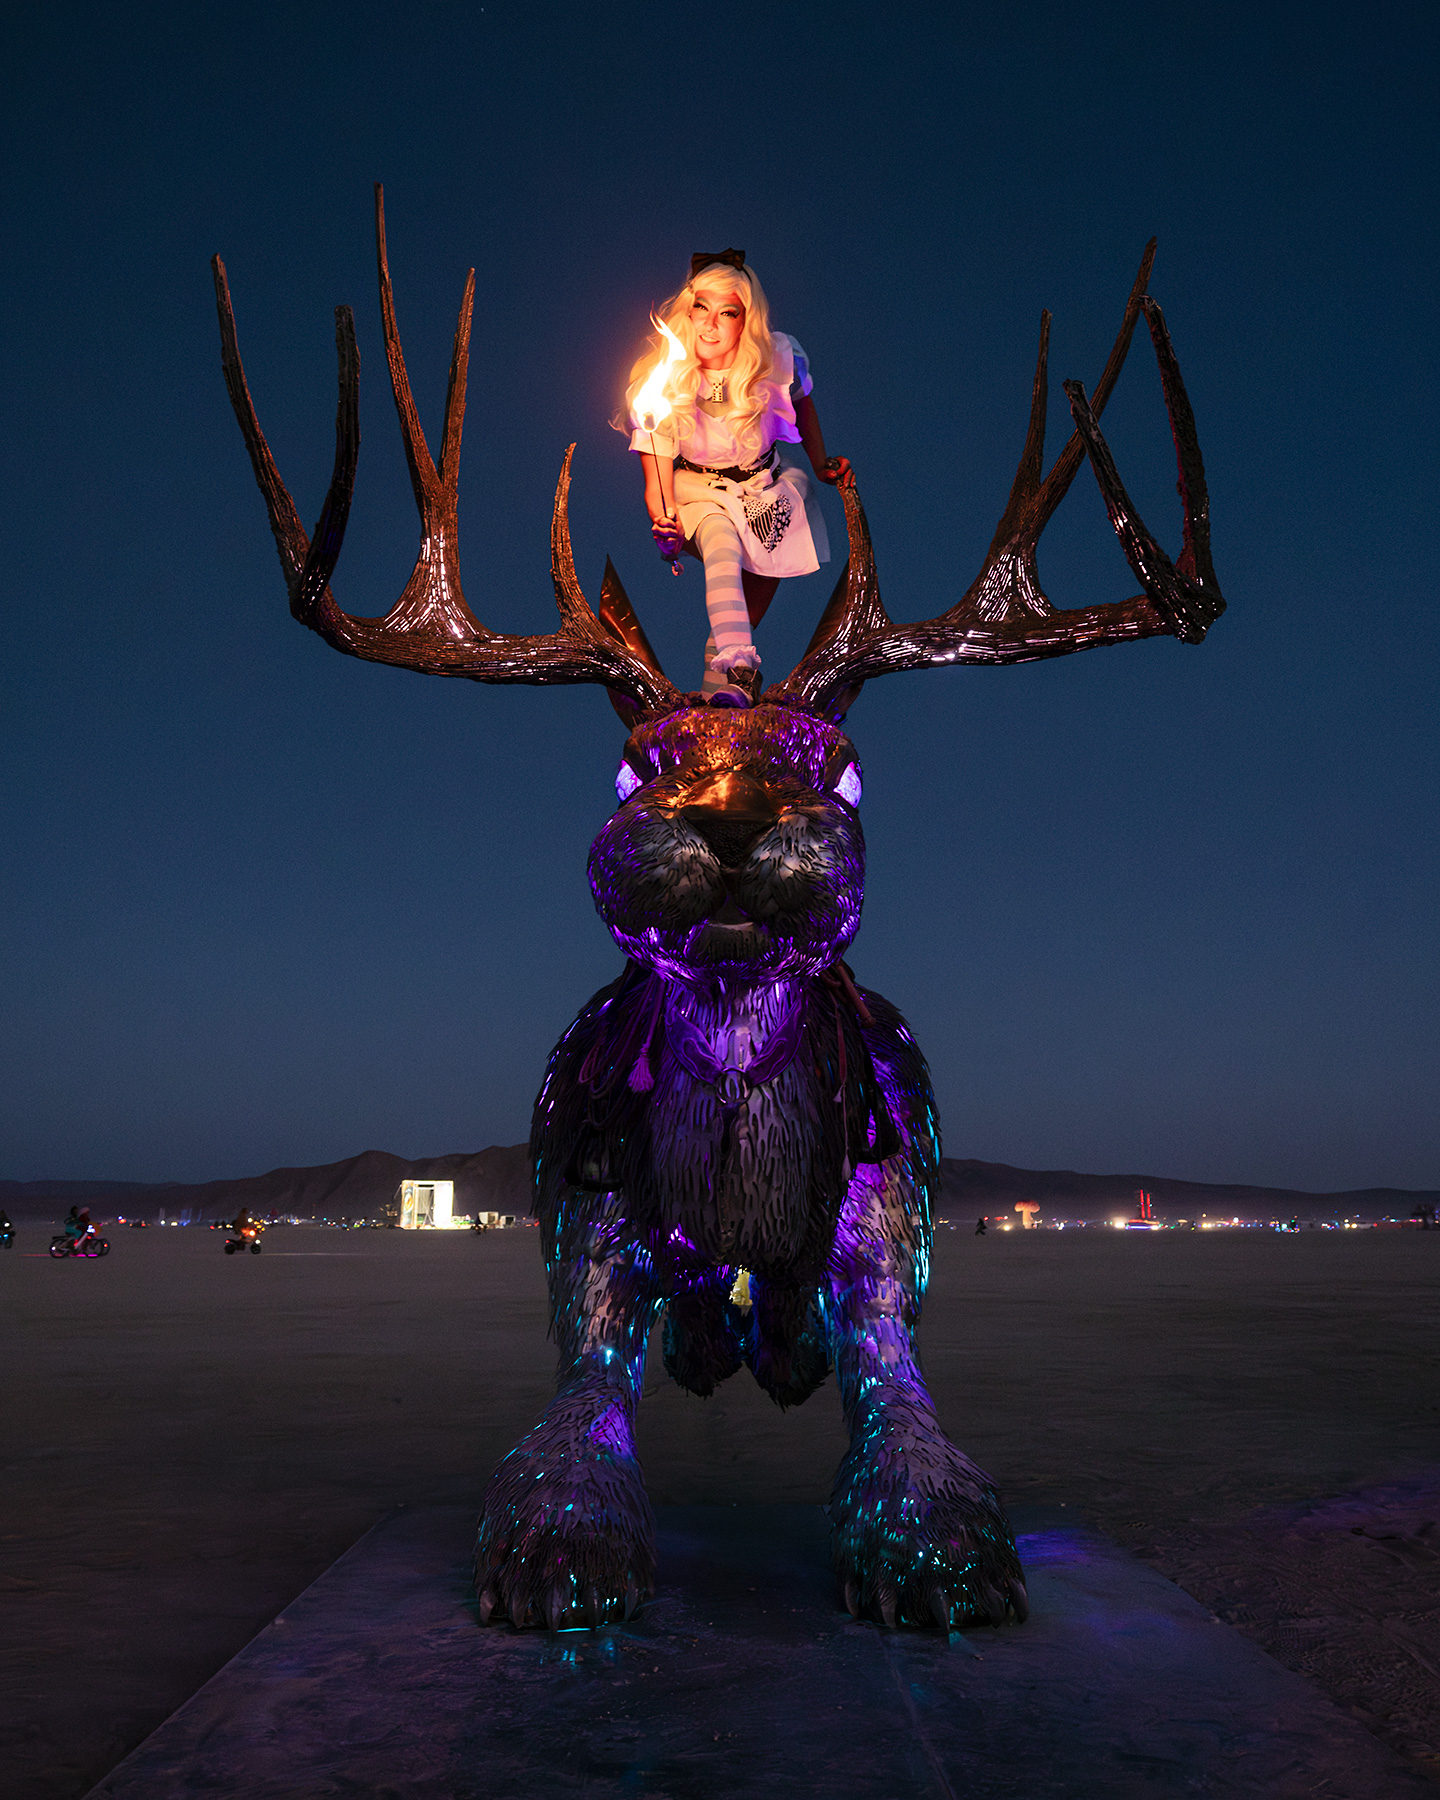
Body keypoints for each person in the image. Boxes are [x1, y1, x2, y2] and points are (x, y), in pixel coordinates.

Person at [624, 248, 853, 705]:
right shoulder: (664, 379)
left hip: (765, 492)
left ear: (745, 319)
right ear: (686, 313)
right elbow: (656, 478)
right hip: (697, 493)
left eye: (726, 313)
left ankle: (722, 703)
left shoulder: (776, 360)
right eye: (700, 309)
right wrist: (665, 526)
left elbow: (803, 404)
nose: (709, 325)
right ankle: (743, 669)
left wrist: (822, 462)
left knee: (738, 617)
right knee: (720, 539)